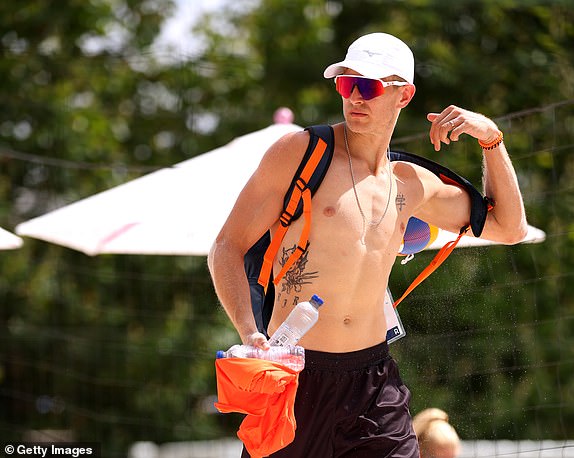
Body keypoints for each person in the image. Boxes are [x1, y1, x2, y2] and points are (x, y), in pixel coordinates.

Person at [208, 32, 527, 457]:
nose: (355, 96)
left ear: (404, 95)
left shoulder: (410, 182)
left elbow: (510, 227)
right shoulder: (301, 152)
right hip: (295, 374)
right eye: (346, 83)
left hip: (373, 382)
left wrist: (490, 139)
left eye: (370, 85)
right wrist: (250, 332)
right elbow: (226, 246)